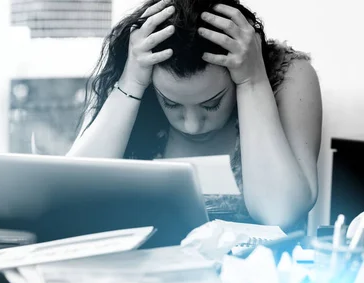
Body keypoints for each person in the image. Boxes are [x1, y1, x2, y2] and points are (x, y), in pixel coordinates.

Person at [67, 0, 323, 232]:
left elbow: (281, 212)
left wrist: (251, 81)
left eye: (212, 105)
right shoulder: (132, 74)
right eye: (170, 103)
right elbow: (71, 198)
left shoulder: (288, 75)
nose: (192, 125)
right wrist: (131, 83)